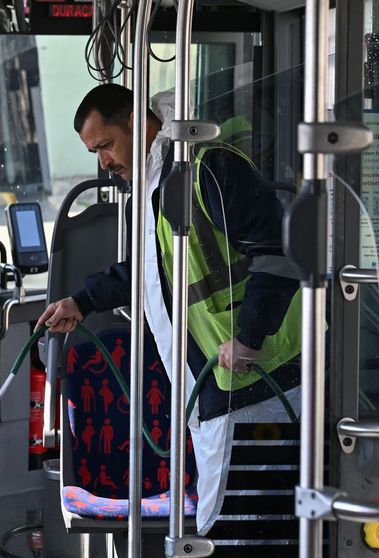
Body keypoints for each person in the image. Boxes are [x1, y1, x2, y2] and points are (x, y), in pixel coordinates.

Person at [37, 83, 303, 533]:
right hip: (215, 379)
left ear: (139, 125)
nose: (103, 162)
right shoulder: (159, 183)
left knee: (249, 527)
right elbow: (150, 272)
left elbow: (278, 252)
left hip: (261, 378)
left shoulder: (208, 169)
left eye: (105, 145)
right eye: (94, 152)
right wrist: (82, 301)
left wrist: (250, 337)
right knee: (226, 521)